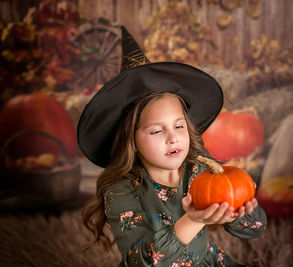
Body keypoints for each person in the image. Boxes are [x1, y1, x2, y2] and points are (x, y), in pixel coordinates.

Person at [78, 26, 267, 267]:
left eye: (179, 127)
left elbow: (256, 229)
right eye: (157, 131)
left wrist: (241, 210)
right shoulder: (121, 191)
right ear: (131, 141)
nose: (172, 138)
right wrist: (193, 220)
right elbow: (143, 261)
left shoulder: (199, 171)